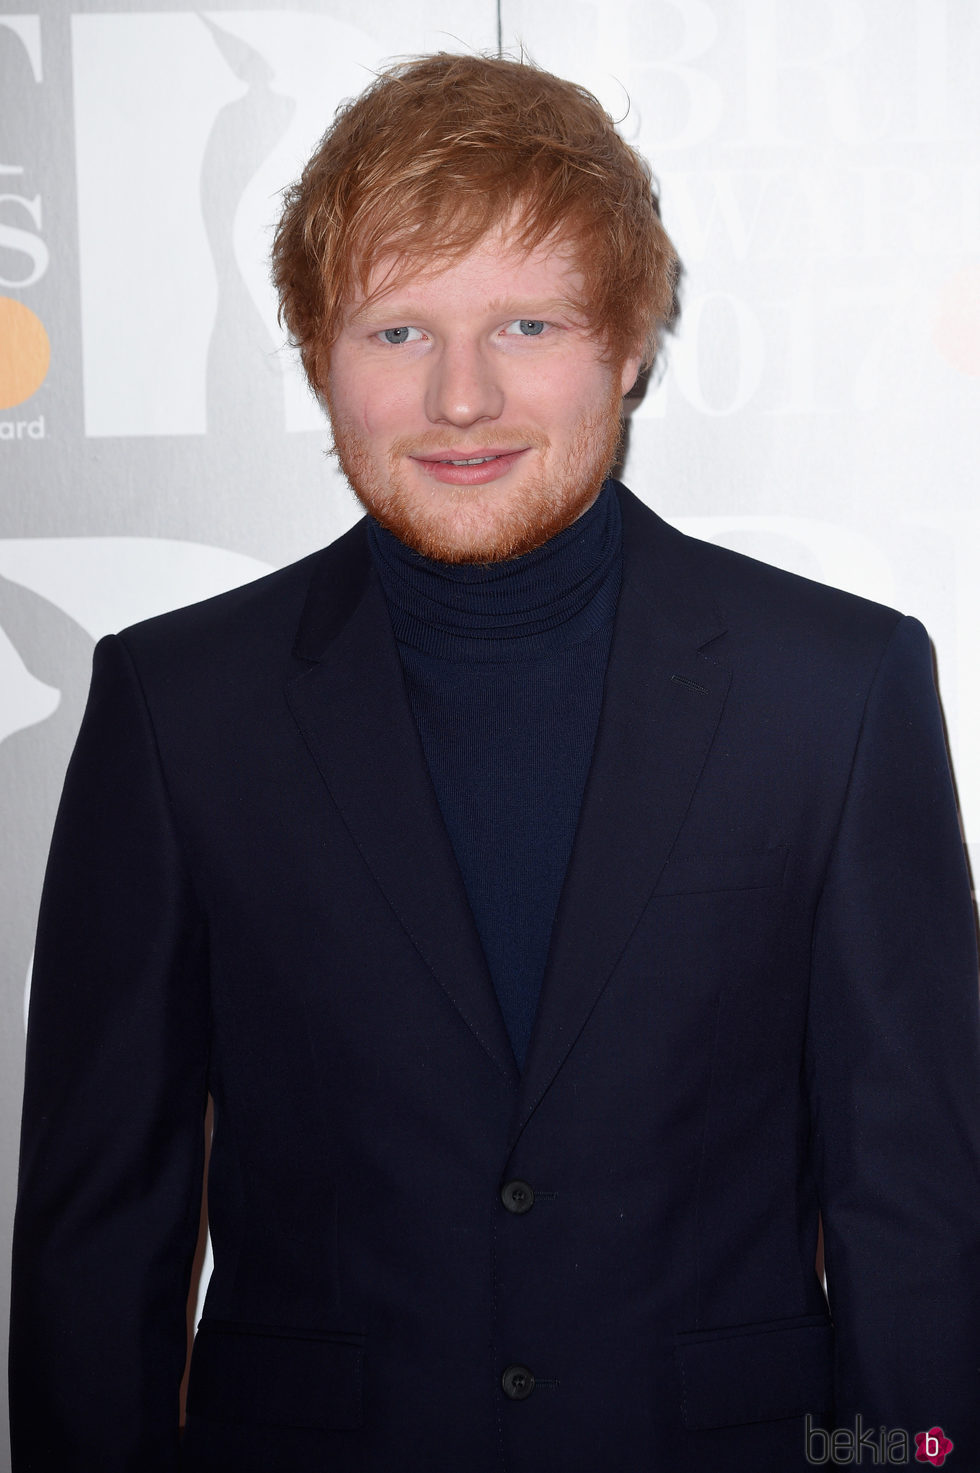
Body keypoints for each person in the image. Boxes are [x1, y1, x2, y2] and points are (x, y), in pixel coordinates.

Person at [9, 52, 980, 1473]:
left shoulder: (835, 690)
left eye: (527, 322)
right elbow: (104, 1233)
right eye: (398, 332)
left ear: (630, 342)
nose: (462, 398)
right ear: (315, 355)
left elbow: (918, 1223)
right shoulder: (176, 707)